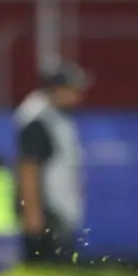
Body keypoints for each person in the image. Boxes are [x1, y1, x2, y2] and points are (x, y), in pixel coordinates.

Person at [15, 64, 88, 263]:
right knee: (48, 270)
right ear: (57, 89)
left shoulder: (58, 119)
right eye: (73, 90)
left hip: (58, 209)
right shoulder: (38, 121)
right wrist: (32, 212)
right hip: (47, 211)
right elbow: (29, 168)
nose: (78, 96)